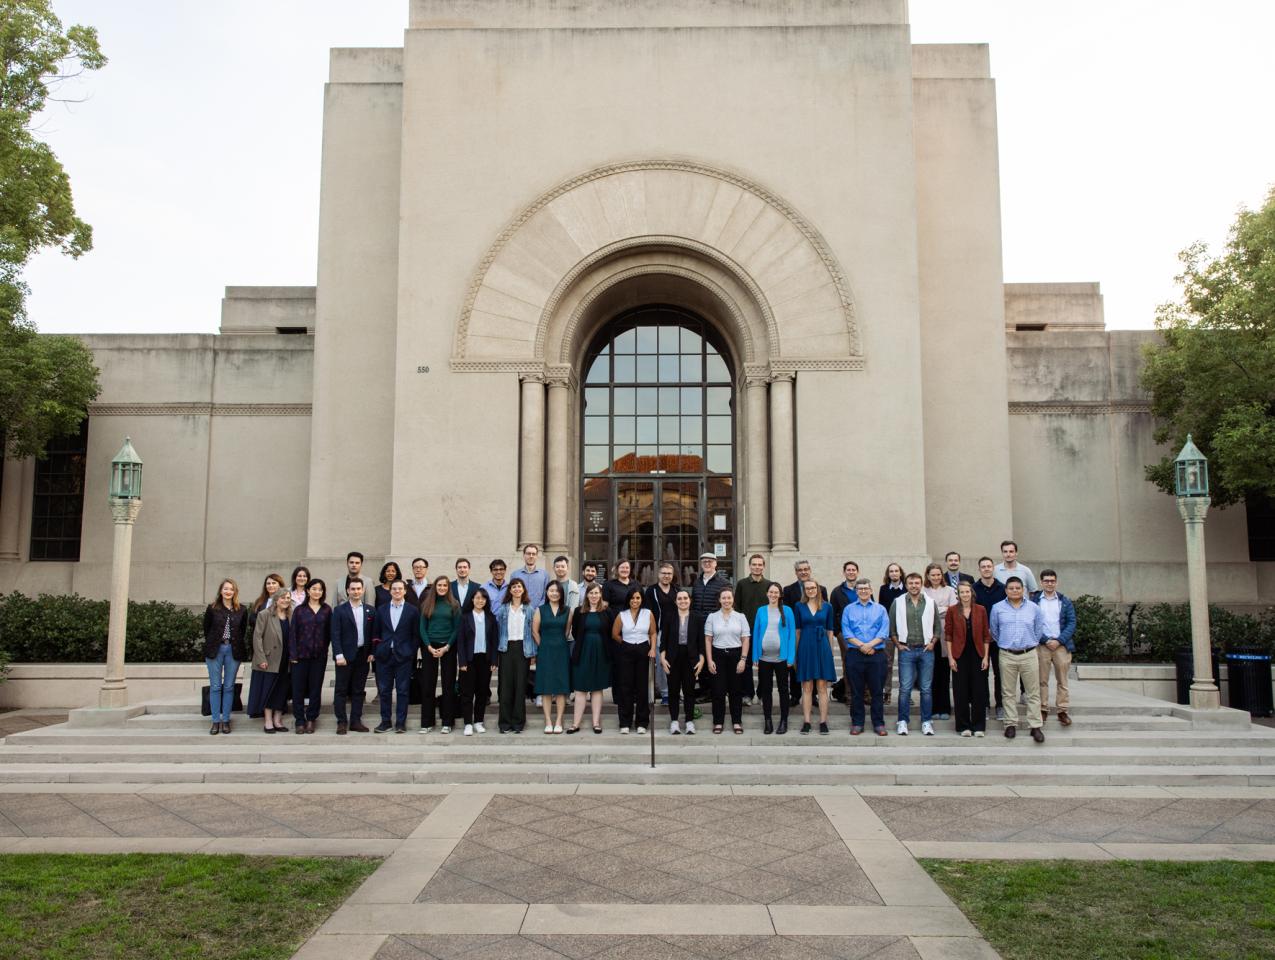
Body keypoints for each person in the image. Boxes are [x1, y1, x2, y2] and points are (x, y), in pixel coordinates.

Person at [989, 576, 1046, 742]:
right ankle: (1010, 724)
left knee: (1032, 692)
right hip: (1007, 654)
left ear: (1023, 590)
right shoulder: (997, 608)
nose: (1014, 590)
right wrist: (1005, 644)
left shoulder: (1034, 608)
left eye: (1018, 588)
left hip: (1028, 654)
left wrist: (1030, 643)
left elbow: (1038, 630)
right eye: (1011, 588)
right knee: (1008, 692)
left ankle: (1035, 726)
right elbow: (994, 630)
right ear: (1006, 590)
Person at [891, 572, 939, 737]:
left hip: (926, 650)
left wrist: (933, 642)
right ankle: (902, 721)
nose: (914, 586)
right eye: (910, 583)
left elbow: (937, 626)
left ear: (921, 584)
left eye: (917, 583)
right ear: (906, 584)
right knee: (905, 688)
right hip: (907, 650)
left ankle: (926, 722)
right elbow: (892, 628)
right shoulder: (898, 602)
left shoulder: (931, 602)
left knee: (926, 689)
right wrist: (898, 644)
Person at [372, 579, 419, 733]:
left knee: (403, 690)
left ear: (405, 591)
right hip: (384, 656)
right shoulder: (381, 609)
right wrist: (377, 649)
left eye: (400, 589)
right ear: (390, 591)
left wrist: (410, 652)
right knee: (384, 690)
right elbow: (376, 633)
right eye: (394, 589)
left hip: (403, 656)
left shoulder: (412, 610)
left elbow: (415, 635)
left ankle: (400, 722)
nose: (397, 591)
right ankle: (385, 721)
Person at [203, 578, 248, 735]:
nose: (228, 591)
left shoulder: (241, 609)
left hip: (233, 650)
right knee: (215, 686)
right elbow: (206, 629)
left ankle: (226, 720)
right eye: (225, 589)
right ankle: (216, 721)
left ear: (235, 592)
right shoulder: (212, 608)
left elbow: (242, 631)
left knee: (229, 687)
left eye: (231, 589)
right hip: (215, 650)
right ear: (221, 591)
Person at [1031, 569, 1076, 726]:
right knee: (1041, 680)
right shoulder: (1034, 601)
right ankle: (1043, 709)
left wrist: (1059, 640)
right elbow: (1031, 622)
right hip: (1042, 646)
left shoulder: (1065, 601)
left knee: (1062, 680)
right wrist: (1045, 639)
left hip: (1061, 646)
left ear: (1056, 582)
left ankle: (1062, 711)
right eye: (1046, 581)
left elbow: (1071, 623)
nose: (1049, 583)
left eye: (1052, 581)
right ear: (1041, 582)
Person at [331, 578, 376, 734]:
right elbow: (335, 634)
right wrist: (338, 655)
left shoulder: (370, 610)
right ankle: (341, 722)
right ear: (347, 591)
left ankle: (355, 721)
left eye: (359, 589)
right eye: (353, 589)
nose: (356, 591)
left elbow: (373, 634)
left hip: (363, 655)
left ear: (363, 590)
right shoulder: (339, 610)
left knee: (358, 690)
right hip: (344, 656)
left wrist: (372, 652)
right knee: (341, 690)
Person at [946, 581, 990, 736]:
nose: (965, 595)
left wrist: (985, 657)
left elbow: (986, 636)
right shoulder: (952, 611)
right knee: (960, 691)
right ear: (958, 594)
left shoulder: (981, 610)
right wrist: (951, 658)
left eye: (967, 591)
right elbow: (949, 636)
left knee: (979, 690)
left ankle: (978, 726)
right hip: (959, 654)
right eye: (962, 592)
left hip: (978, 654)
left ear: (972, 593)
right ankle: (963, 726)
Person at [705, 587, 751, 734]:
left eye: (729, 598)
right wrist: (709, 660)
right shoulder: (712, 617)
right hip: (717, 655)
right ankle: (718, 722)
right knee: (718, 691)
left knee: (735, 691)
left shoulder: (741, 617)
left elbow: (745, 639)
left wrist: (743, 659)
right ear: (719, 600)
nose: (726, 600)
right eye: (723, 598)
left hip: (736, 654)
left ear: (733, 599)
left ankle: (736, 721)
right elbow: (708, 639)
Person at [659, 587, 704, 735]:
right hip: (672, 657)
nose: (683, 601)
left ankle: (690, 721)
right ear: (675, 601)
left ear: (690, 600)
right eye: (680, 599)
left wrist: (702, 660)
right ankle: (674, 721)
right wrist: (663, 659)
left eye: (685, 598)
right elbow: (663, 640)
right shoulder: (669, 617)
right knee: (673, 691)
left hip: (691, 658)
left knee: (689, 691)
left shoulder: (697, 618)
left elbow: (701, 642)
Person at [569, 583, 613, 734]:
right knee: (580, 688)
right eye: (591, 593)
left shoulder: (607, 612)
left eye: (596, 593)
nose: (594, 596)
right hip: (582, 652)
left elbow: (611, 632)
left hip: (601, 653)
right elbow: (575, 631)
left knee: (596, 688)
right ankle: (576, 723)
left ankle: (596, 723)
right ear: (586, 595)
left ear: (601, 595)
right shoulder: (578, 612)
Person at [751, 583, 795, 735]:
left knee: (783, 690)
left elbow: (791, 636)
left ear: (780, 594)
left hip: (782, 659)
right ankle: (768, 720)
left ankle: (784, 720)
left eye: (776, 592)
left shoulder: (787, 611)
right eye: (771, 592)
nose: (773, 595)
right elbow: (756, 632)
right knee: (766, 690)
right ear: (767, 593)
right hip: (764, 658)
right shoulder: (761, 610)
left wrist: (790, 657)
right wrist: (755, 655)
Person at [793, 579, 836, 735]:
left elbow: (830, 631)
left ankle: (823, 721)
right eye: (807, 588)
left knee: (822, 687)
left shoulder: (827, 606)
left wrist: (830, 652)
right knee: (807, 687)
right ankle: (807, 721)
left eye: (813, 587)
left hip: (822, 646)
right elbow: (797, 631)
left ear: (818, 589)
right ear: (804, 590)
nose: (810, 590)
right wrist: (796, 654)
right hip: (805, 646)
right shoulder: (799, 606)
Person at [419, 575, 460, 734]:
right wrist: (428, 646)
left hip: (447, 648)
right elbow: (422, 627)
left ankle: (447, 722)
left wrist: (447, 646)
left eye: (445, 585)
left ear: (448, 588)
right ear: (435, 587)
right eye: (439, 585)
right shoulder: (427, 604)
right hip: (429, 648)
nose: (442, 588)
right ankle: (426, 722)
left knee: (448, 686)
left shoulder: (454, 605)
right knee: (428, 685)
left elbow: (457, 628)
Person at [611, 587, 656, 733]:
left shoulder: (648, 613)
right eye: (632, 598)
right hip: (626, 651)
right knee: (625, 687)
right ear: (628, 600)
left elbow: (653, 632)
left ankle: (642, 722)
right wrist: (626, 644)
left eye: (637, 598)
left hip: (644, 650)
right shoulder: (621, 615)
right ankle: (625, 722)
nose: (635, 601)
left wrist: (653, 648)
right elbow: (615, 634)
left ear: (642, 599)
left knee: (642, 687)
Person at [290, 577, 332, 734]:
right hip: (300, 656)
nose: (317, 592)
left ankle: (311, 718)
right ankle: (299, 720)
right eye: (314, 589)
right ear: (308, 590)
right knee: (298, 689)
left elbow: (329, 633)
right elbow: (293, 633)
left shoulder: (327, 610)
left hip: (318, 656)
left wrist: (325, 650)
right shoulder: (299, 610)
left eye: (320, 589)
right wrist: (293, 654)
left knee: (315, 688)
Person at [457, 586, 499, 735]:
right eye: (477, 598)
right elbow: (460, 641)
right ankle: (468, 722)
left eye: (483, 598)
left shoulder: (491, 617)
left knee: (482, 692)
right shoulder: (465, 617)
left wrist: (495, 660)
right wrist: (461, 662)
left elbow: (494, 640)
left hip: (485, 659)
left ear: (486, 600)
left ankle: (478, 721)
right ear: (472, 600)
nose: (480, 600)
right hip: (469, 659)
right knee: (467, 692)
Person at [250, 586, 292, 733]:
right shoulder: (265, 614)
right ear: (276, 600)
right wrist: (261, 658)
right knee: (270, 690)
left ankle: (278, 719)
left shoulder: (291, 616)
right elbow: (257, 637)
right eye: (283, 598)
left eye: (288, 598)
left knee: (282, 690)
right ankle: (268, 720)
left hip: (286, 660)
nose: (286, 601)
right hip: (270, 659)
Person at [733, 554, 773, 705]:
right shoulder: (742, 584)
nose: (757, 567)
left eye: (760, 564)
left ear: (764, 567)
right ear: (749, 566)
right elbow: (737, 607)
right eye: (754, 564)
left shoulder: (769, 585)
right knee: (747, 663)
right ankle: (747, 694)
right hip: (746, 631)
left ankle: (762, 694)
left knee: (764, 663)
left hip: (765, 631)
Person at [496, 578, 534, 733]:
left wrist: (533, 653)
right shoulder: (503, 609)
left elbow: (532, 632)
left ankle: (518, 723)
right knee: (505, 687)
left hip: (523, 649)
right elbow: (498, 630)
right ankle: (504, 723)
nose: (517, 589)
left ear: (523, 589)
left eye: (519, 586)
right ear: (510, 590)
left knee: (520, 687)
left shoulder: (529, 609)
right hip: (506, 648)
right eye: (514, 587)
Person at [244, 572, 284, 718]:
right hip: (262, 646)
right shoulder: (260, 602)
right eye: (268, 583)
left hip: (278, 649)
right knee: (260, 680)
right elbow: (252, 620)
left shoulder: (284, 601)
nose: (271, 586)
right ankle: (258, 709)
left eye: (274, 583)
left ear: (280, 585)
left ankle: (275, 708)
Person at [533, 580, 572, 733]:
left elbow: (567, 632)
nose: (554, 593)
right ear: (547, 593)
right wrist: (543, 645)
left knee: (561, 687)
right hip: (545, 651)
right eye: (551, 590)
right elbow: (535, 631)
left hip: (562, 650)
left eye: (557, 591)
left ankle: (559, 721)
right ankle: (548, 721)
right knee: (546, 687)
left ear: (561, 594)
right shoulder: (540, 610)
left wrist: (558, 643)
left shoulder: (568, 610)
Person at [973, 556, 1008, 720]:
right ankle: (984, 705)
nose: (986, 569)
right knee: (982, 674)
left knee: (1000, 674)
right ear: (979, 569)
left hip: (999, 639)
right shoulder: (974, 589)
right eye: (983, 567)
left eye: (989, 566)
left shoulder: (1002, 589)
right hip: (979, 639)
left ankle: (1000, 705)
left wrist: (995, 632)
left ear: (993, 568)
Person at [924, 563, 958, 721]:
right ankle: (932, 708)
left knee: (944, 674)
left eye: (938, 575)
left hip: (946, 636)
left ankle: (944, 708)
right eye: (933, 575)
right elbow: (924, 610)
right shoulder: (924, 591)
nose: (936, 577)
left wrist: (935, 609)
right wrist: (941, 609)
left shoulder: (950, 590)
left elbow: (953, 609)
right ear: (928, 576)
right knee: (931, 674)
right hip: (929, 636)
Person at [644, 561, 678, 704]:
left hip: (675, 632)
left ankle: (675, 691)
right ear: (658, 575)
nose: (666, 576)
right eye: (664, 573)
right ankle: (665, 693)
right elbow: (648, 613)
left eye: (669, 573)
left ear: (673, 575)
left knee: (675, 662)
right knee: (661, 663)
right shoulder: (651, 591)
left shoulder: (677, 590)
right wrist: (650, 633)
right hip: (658, 632)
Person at [877, 562, 906, 706]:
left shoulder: (907, 589)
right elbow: (882, 611)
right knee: (887, 663)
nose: (894, 573)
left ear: (901, 573)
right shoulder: (883, 589)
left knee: (905, 663)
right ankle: (886, 692)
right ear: (888, 574)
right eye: (891, 571)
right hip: (889, 631)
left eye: (896, 571)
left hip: (905, 632)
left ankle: (905, 692)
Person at [516, 543, 549, 610]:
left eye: (533, 554)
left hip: (539, 612)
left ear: (536, 556)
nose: (531, 556)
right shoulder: (515, 575)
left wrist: (538, 609)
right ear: (524, 555)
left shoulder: (544, 575)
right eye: (528, 553)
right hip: (520, 612)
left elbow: (546, 596)